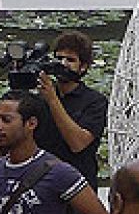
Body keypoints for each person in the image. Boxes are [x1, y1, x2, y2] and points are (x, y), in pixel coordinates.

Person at [34, 31, 108, 193]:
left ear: (83, 67)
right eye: (59, 58)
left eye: (70, 60)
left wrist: (53, 100)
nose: (63, 64)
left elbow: (78, 144)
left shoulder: (95, 101)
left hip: (78, 186)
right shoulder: (41, 99)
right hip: (43, 183)